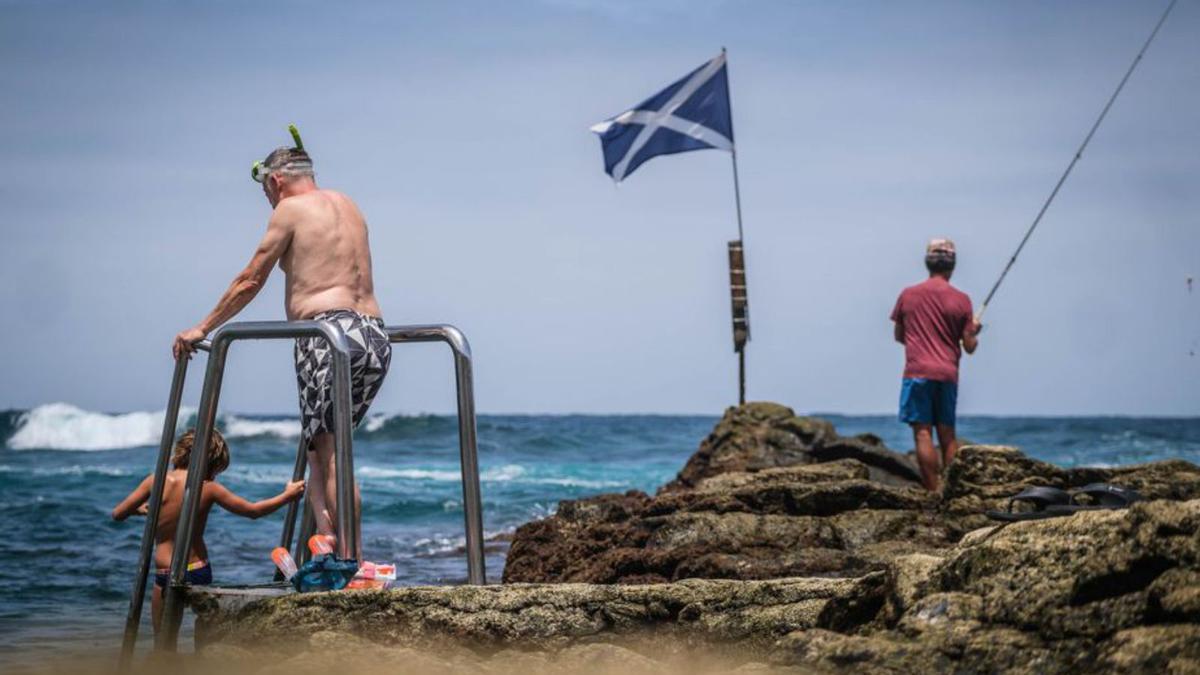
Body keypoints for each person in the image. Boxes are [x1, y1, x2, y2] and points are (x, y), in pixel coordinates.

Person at [171, 127, 390, 559]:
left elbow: (251, 278)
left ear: (275, 180)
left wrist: (204, 327)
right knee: (327, 445)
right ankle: (332, 545)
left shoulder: (289, 210)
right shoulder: (349, 205)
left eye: (266, 191)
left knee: (327, 453)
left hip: (327, 335)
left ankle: (347, 558)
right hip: (374, 335)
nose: (269, 201)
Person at [111, 428, 304, 631]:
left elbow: (118, 513)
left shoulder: (156, 481)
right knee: (204, 625)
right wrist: (288, 496)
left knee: (164, 638)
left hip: (165, 571)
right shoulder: (208, 487)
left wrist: (143, 511)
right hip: (198, 568)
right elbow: (253, 511)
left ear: (181, 451)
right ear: (211, 462)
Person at [891, 238, 981, 492]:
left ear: (927, 263)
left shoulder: (908, 295)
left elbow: (899, 336)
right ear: (952, 266)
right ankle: (951, 492)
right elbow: (970, 346)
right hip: (948, 374)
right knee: (948, 434)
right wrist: (974, 331)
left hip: (917, 372)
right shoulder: (962, 300)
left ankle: (932, 491)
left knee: (922, 433)